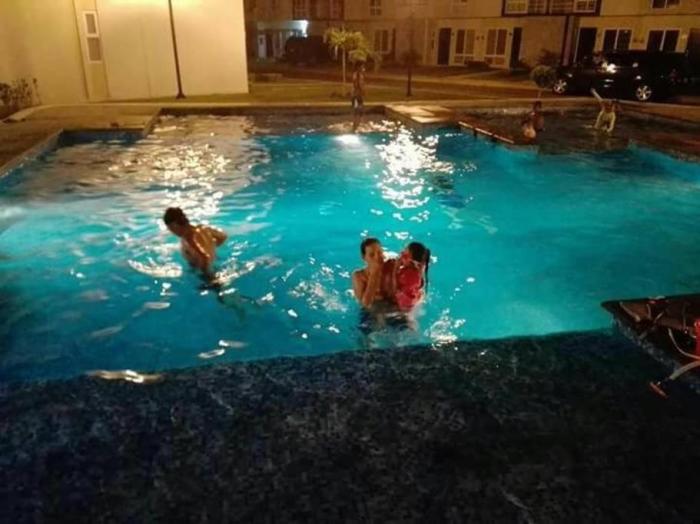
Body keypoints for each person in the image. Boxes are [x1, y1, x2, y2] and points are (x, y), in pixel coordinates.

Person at [163, 207, 227, 275]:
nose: (172, 232)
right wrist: (211, 247)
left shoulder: (188, 239)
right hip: (215, 264)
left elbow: (204, 257)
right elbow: (223, 236)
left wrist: (205, 275)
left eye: (170, 229)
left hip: (207, 273)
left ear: (174, 225)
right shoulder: (203, 228)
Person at [352, 237, 390, 308]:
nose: (377, 257)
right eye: (372, 255)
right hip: (370, 312)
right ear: (364, 257)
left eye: (379, 252)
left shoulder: (390, 269)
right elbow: (365, 304)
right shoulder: (359, 276)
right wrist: (374, 274)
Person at [392, 242, 431, 311]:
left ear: (413, 262)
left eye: (405, 255)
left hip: (403, 310)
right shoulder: (414, 271)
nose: (401, 255)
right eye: (403, 251)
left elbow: (395, 291)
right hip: (411, 304)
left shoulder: (409, 276)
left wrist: (395, 269)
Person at [351, 61, 366, 133]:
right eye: (362, 66)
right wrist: (362, 90)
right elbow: (357, 84)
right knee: (358, 110)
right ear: (358, 67)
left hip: (356, 94)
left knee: (358, 111)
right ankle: (356, 127)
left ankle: (356, 126)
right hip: (357, 95)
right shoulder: (357, 74)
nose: (363, 68)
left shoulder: (357, 74)